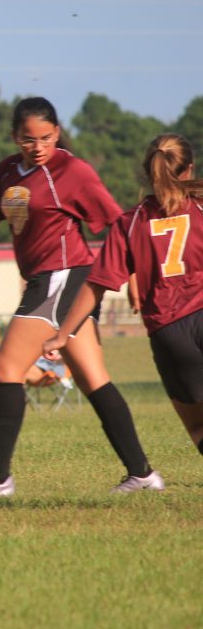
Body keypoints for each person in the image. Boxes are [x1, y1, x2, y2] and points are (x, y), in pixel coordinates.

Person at [0, 96, 161, 496]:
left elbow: (118, 223)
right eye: (28, 139)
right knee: (94, 380)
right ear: (14, 137)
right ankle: (143, 475)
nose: (38, 146)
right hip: (48, 281)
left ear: (57, 133)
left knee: (7, 368)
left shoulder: (72, 171)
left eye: (46, 137)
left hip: (64, 277)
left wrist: (131, 276)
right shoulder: (9, 171)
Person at [44, 133, 203, 469]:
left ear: (148, 171)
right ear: (189, 170)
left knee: (198, 426)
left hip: (170, 332)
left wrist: (63, 333)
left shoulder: (132, 222)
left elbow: (97, 284)